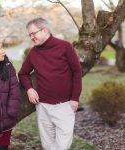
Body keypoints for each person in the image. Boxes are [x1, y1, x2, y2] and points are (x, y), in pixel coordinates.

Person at [18, 17, 82, 150]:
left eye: (33, 34)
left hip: (65, 106)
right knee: (47, 145)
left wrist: (75, 99)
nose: (31, 37)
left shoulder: (65, 46)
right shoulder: (33, 53)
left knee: (63, 146)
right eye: (30, 35)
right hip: (43, 106)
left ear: (45, 30)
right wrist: (29, 89)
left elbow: (77, 72)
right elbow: (23, 73)